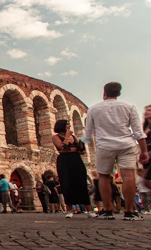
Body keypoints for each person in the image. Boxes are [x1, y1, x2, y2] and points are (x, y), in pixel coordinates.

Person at [84, 82, 148, 220]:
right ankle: (130, 211)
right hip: (127, 144)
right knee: (129, 176)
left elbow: (88, 134)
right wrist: (144, 151)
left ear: (104, 93)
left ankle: (107, 210)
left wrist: (82, 145)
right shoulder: (129, 107)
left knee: (104, 177)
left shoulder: (94, 109)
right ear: (119, 93)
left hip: (105, 146)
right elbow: (138, 132)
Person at [52, 119, 95, 218]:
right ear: (61, 126)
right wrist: (67, 138)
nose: (69, 126)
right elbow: (61, 148)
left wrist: (79, 147)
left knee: (81, 184)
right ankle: (69, 210)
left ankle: (89, 211)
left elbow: (79, 151)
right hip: (64, 162)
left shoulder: (74, 137)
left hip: (76, 160)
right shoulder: (56, 137)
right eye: (67, 125)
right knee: (67, 184)